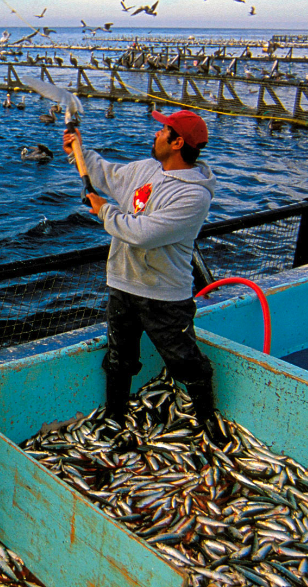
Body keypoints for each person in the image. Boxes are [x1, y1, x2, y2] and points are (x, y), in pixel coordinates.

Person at [62, 109, 220, 437]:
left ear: (178, 143)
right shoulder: (147, 169)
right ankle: (114, 419)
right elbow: (108, 175)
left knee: (184, 362)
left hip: (164, 295)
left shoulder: (194, 194)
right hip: (123, 284)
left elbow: (143, 233)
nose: (156, 133)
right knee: (119, 358)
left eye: (163, 130)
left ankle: (208, 422)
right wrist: (81, 150)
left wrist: (104, 209)